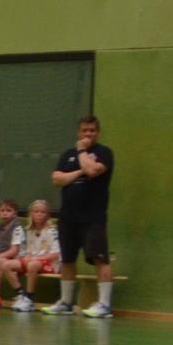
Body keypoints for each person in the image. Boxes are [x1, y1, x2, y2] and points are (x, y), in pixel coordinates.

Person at [43, 115, 115, 318]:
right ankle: (66, 302)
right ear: (78, 132)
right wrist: (79, 172)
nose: (88, 134)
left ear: (98, 133)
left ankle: (104, 305)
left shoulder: (104, 153)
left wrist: (82, 151)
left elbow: (92, 171)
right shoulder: (67, 155)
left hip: (93, 218)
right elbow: (56, 179)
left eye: (92, 130)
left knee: (100, 259)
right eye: (84, 130)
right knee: (67, 260)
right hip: (68, 218)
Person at [9, 199, 59, 312]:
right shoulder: (29, 230)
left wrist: (34, 259)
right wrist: (27, 257)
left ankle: (29, 299)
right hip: (34, 261)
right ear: (31, 214)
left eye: (42, 212)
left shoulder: (52, 231)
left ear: (48, 215)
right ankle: (21, 295)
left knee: (32, 265)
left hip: (50, 264)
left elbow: (55, 254)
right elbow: (30, 251)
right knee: (7, 265)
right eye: (36, 211)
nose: (39, 214)